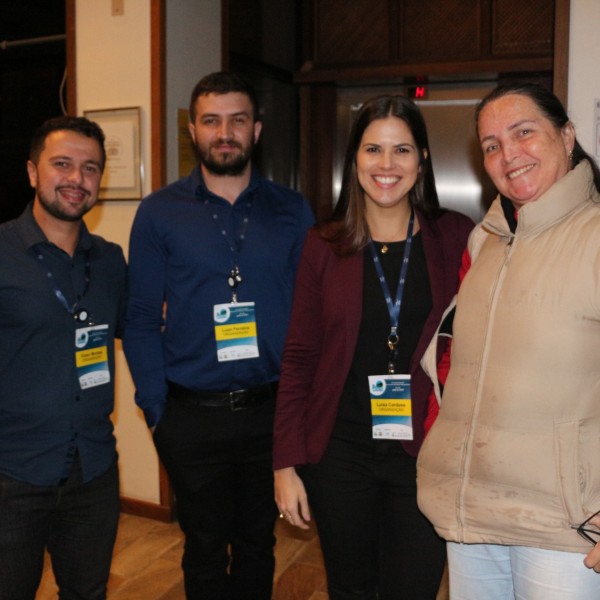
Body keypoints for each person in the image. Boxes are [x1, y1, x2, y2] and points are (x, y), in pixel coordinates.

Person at [273, 94, 473, 600]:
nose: (387, 165)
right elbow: (298, 357)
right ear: (354, 159)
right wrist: (285, 463)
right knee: (352, 588)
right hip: (340, 453)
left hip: (425, 451)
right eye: (373, 150)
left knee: (414, 585)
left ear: (422, 159)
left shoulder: (456, 236)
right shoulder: (325, 243)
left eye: (402, 150)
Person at [123, 71, 314, 600]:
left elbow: (311, 314)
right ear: (193, 130)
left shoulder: (291, 209)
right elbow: (139, 318)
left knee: (258, 542)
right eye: (211, 121)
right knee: (203, 544)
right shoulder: (159, 212)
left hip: (269, 413)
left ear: (256, 130)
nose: (223, 132)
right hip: (190, 417)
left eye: (236, 120)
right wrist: (156, 409)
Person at [417, 82, 600, 600]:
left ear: (567, 137)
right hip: (472, 512)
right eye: (492, 145)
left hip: (566, 527)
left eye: (524, 133)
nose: (508, 153)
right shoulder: (488, 240)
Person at [0, 116, 127, 599]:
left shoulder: (111, 261)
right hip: (13, 474)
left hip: (92, 470)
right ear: (33, 172)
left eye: (90, 168)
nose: (77, 179)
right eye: (62, 164)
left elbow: (136, 328)